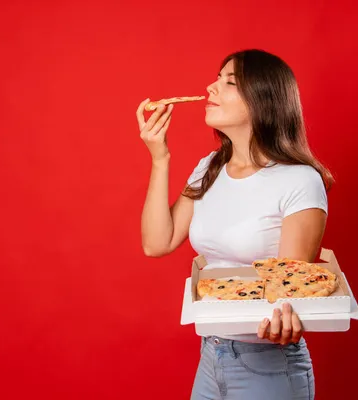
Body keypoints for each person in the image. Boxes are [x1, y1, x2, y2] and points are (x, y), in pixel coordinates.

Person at [137, 49, 333, 399]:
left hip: (268, 367)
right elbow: (157, 242)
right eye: (216, 78)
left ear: (263, 99)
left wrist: (287, 320)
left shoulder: (299, 181)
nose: (211, 88)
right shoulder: (211, 166)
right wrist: (160, 158)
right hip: (211, 355)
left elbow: (290, 294)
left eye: (229, 82)